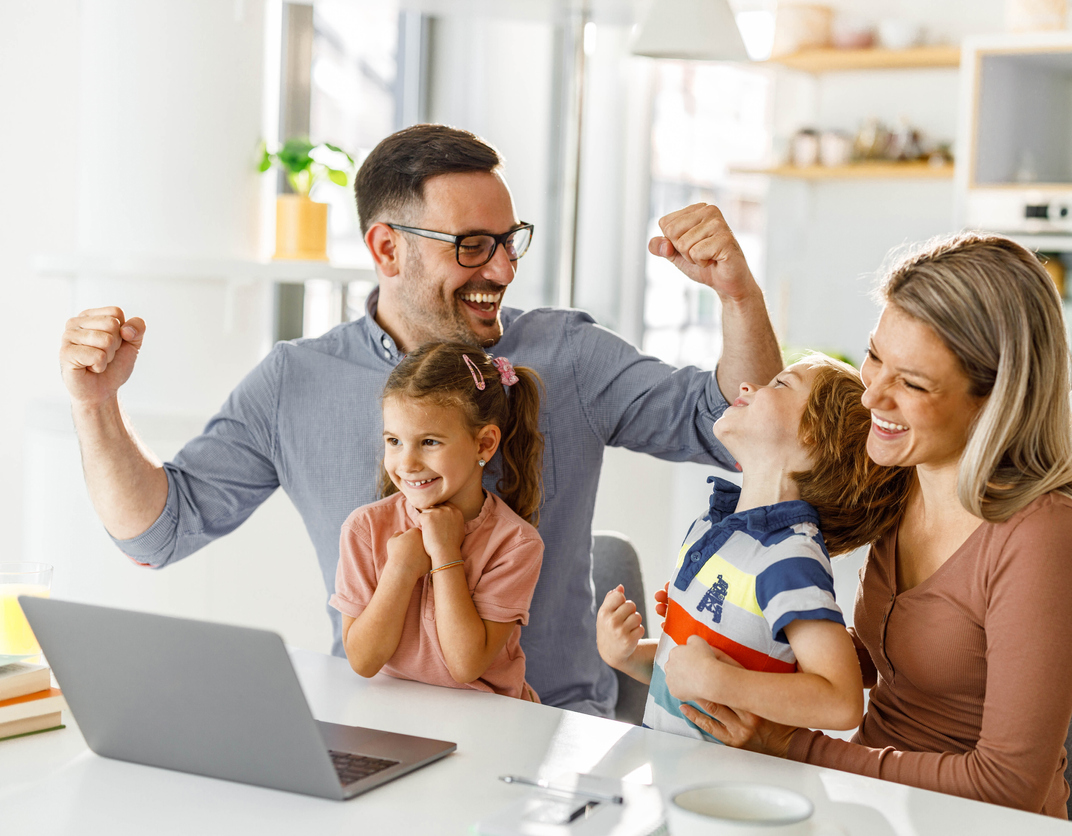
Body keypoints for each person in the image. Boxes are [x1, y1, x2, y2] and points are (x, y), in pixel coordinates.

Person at [56, 123, 783, 717]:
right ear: (385, 248)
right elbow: (156, 533)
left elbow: (734, 429)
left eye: (509, 240)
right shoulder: (294, 382)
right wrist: (96, 406)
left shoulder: (568, 354)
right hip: (373, 722)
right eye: (472, 246)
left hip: (548, 728)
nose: (500, 269)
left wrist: (738, 297)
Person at [668, 232, 1072, 819]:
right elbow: (776, 436)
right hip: (872, 808)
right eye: (875, 355)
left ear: (993, 400)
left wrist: (791, 745)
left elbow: (1009, 786)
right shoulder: (902, 479)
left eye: (911, 383)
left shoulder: (1045, 538)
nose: (871, 396)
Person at [596, 355, 910, 741]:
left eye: (780, 384)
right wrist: (626, 656)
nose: (748, 385)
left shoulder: (791, 557)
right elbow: (681, 674)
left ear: (814, 434)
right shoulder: (710, 529)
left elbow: (841, 700)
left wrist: (719, 681)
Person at [332, 342, 544, 700]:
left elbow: (466, 666)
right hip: (398, 715)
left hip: (490, 720)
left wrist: (445, 554)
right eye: (395, 441)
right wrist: (400, 567)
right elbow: (363, 661)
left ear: (484, 445)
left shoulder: (516, 544)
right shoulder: (364, 529)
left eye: (429, 441)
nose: (408, 462)